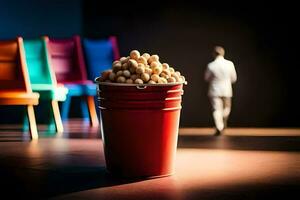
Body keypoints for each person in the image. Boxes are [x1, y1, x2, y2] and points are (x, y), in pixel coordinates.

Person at [204, 46, 237, 136]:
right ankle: (221, 122)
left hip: (214, 90)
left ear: (214, 54)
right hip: (227, 89)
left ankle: (219, 126)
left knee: (216, 109)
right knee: (227, 108)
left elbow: (206, 78)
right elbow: (234, 78)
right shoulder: (230, 64)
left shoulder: (211, 65)